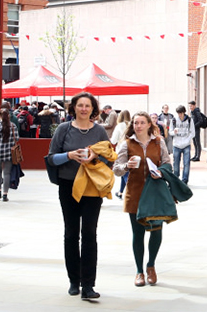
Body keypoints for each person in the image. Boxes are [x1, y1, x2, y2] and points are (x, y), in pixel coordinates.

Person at [47, 92, 111, 300]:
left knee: (90, 234)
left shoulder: (100, 131)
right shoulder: (64, 129)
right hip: (68, 186)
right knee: (71, 233)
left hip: (92, 188)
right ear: (73, 108)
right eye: (80, 105)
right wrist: (69, 155)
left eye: (88, 105)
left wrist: (94, 158)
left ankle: (88, 285)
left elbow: (109, 159)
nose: (84, 109)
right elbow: (50, 158)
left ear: (93, 109)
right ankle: (74, 280)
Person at [112, 112, 172, 287]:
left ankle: (151, 265)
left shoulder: (158, 142)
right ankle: (139, 271)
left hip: (155, 193)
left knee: (156, 230)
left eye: (142, 123)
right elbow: (116, 169)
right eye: (136, 123)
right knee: (137, 233)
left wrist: (161, 171)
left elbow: (168, 163)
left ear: (148, 125)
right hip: (135, 192)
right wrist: (126, 166)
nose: (138, 126)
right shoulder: (126, 144)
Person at [0, 108, 19, 202]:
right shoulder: (13, 126)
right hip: (9, 153)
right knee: (7, 173)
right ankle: (5, 194)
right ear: (8, 116)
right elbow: (16, 139)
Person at [171, 105, 195, 184]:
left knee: (186, 163)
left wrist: (187, 140)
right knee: (176, 163)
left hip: (186, 144)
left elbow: (193, 132)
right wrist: (173, 132)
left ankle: (185, 180)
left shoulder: (189, 120)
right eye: (178, 113)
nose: (180, 115)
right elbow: (170, 132)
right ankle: (176, 179)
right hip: (176, 144)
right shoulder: (174, 120)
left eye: (181, 113)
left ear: (184, 112)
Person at [111, 110, 131, 199]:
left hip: (121, 150)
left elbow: (113, 140)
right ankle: (120, 192)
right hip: (132, 149)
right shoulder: (132, 124)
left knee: (124, 171)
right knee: (125, 170)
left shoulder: (119, 126)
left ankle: (131, 191)